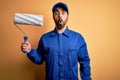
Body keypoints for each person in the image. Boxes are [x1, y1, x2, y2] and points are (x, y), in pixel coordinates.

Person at [21, 2, 91, 80]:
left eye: (63, 13)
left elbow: (85, 62)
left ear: (67, 16)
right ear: (53, 16)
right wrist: (30, 51)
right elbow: (39, 59)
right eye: (56, 13)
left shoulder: (78, 38)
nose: (60, 16)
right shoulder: (45, 38)